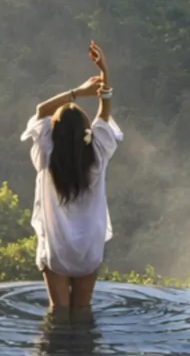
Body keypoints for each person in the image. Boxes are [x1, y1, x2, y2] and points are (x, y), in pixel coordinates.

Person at [20, 41, 121, 314]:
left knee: (58, 312)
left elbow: (41, 110)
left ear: (55, 132)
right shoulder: (97, 154)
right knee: (83, 311)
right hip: (88, 250)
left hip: (57, 249)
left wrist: (78, 92)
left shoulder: (46, 153)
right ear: (87, 131)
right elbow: (104, 115)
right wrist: (105, 73)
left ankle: (57, 344)